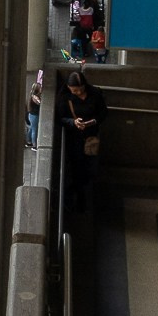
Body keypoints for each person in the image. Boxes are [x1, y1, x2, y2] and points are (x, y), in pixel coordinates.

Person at [59, 71, 107, 212]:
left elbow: (103, 113)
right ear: (68, 87)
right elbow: (60, 117)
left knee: (90, 166)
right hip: (74, 139)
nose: (79, 93)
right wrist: (73, 122)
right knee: (76, 167)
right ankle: (79, 197)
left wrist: (93, 121)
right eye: (75, 90)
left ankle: (82, 192)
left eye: (81, 89)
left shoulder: (95, 94)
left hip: (91, 137)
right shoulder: (64, 98)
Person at [26, 72, 43, 147]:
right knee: (34, 130)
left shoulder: (32, 95)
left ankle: (28, 141)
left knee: (32, 128)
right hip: (34, 115)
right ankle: (34, 145)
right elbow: (40, 103)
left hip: (31, 115)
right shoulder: (35, 98)